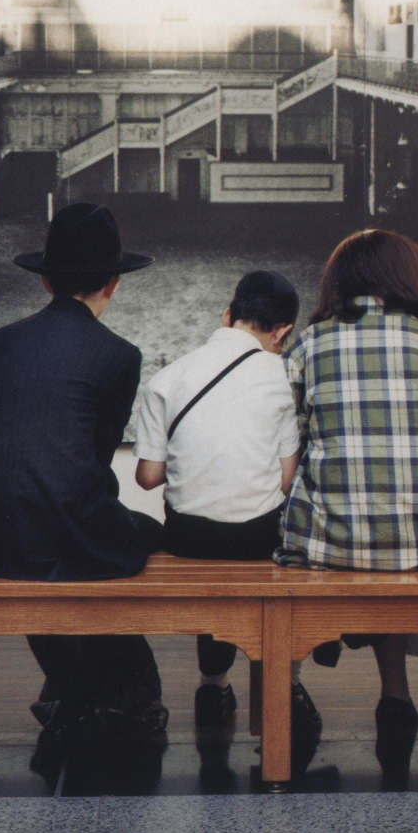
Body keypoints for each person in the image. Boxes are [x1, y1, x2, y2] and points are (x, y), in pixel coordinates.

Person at [0, 202, 167, 752]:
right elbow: (92, 463)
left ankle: (70, 687)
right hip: (66, 528)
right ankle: (108, 695)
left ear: (45, 280)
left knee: (43, 545)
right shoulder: (119, 355)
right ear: (114, 284)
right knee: (139, 539)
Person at [277, 229, 418, 769]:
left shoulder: (302, 345)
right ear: (413, 279)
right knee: (392, 542)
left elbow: (289, 448)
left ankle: (295, 678)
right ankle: (396, 697)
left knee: (316, 534)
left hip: (327, 543)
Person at [133, 270, 320, 740]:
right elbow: (286, 479)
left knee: (204, 541)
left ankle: (213, 684)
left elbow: (148, 476)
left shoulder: (169, 375)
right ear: (282, 333)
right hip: (256, 537)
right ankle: (287, 684)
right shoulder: (282, 378)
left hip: (187, 537)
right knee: (282, 541)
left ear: (227, 314)